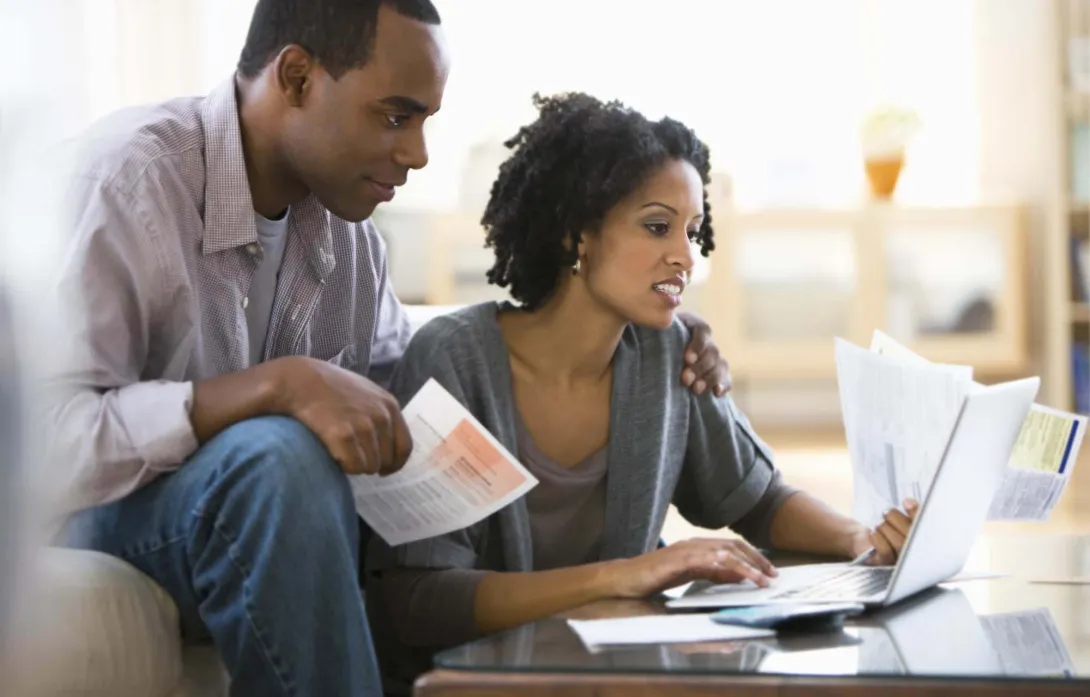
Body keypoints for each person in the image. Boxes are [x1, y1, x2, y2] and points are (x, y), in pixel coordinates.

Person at [48, 2, 735, 695]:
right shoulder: (128, 181)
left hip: (247, 518)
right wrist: (275, 386)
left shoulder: (351, 242)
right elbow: (45, 443)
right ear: (296, 77)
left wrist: (663, 325)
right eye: (395, 117)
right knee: (280, 458)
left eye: (425, 122)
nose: (417, 153)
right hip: (101, 513)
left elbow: (413, 411)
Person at [366, 92, 919, 690]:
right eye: (657, 227)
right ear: (577, 233)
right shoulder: (455, 361)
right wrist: (622, 575)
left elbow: (757, 500)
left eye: (692, 231)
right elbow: (417, 598)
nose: (684, 256)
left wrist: (862, 539)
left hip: (613, 675)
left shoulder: (667, 354)